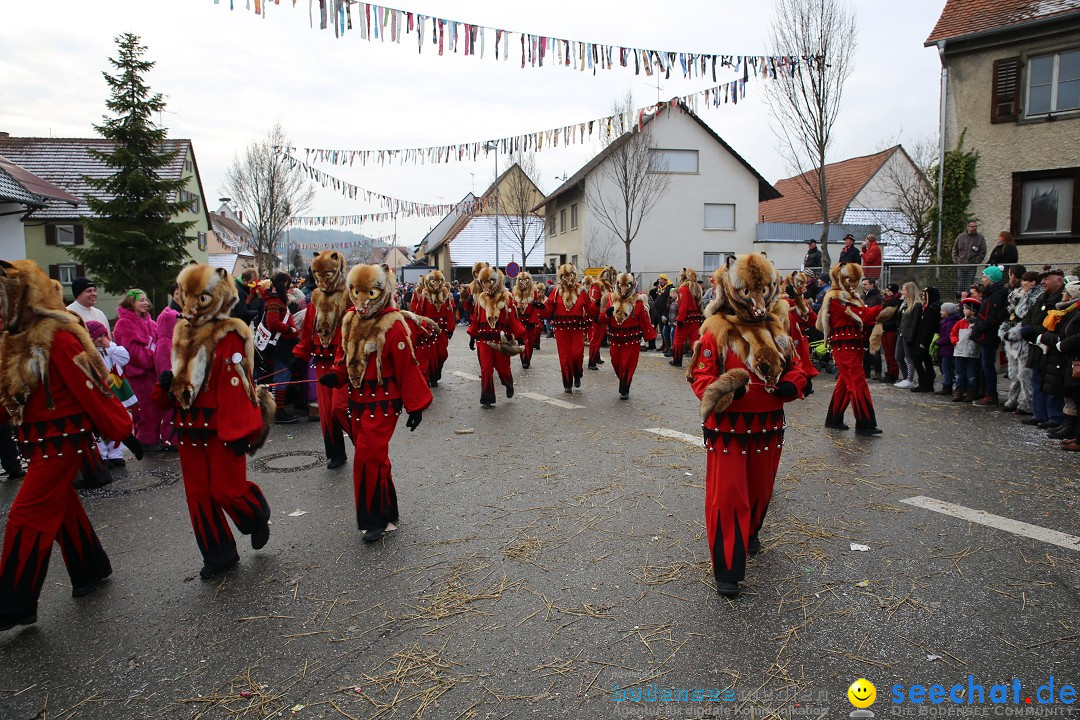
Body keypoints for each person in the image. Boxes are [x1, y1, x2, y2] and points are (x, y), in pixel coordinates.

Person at [0, 260, 140, 631]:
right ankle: (89, 568)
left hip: (61, 442)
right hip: (37, 441)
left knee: (26, 516)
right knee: (61, 508)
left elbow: (93, 387)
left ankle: (13, 603)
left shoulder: (59, 336)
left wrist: (122, 429)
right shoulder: (16, 339)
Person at [688, 254, 807, 597]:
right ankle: (727, 568)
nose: (755, 300)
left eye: (761, 291)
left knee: (760, 490)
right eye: (748, 291)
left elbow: (795, 367)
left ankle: (751, 532)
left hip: (769, 427)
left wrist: (792, 385)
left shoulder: (776, 329)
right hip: (728, 429)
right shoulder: (717, 331)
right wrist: (726, 394)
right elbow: (701, 376)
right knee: (728, 497)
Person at [162, 264, 274, 579]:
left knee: (226, 488)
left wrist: (240, 430)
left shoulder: (230, 332)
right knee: (199, 495)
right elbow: (183, 379)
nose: (191, 306)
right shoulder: (181, 330)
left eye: (201, 298)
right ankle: (218, 554)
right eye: (188, 297)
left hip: (221, 427)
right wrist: (167, 388)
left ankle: (255, 516)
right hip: (188, 425)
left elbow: (235, 382)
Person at [319, 264, 432, 543]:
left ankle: (374, 520)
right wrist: (336, 375)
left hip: (384, 405)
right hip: (357, 403)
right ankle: (387, 509)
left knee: (367, 456)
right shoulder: (349, 321)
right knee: (375, 458)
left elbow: (407, 367)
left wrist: (415, 405)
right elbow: (346, 358)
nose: (362, 301)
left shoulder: (392, 325)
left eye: (369, 293)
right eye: (357, 293)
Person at [292, 251, 352, 469]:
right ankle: (336, 452)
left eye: (326, 276)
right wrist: (298, 356)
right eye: (318, 277)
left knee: (339, 407)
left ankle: (362, 442)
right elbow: (308, 331)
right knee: (326, 411)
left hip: (342, 362)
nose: (322, 282)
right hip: (321, 361)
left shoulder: (348, 297)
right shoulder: (315, 299)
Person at [818, 263, 892, 435]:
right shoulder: (835, 297)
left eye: (855, 280)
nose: (854, 284)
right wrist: (880, 309)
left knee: (845, 383)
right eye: (850, 280)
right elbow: (859, 316)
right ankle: (865, 422)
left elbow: (863, 319)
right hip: (844, 345)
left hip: (855, 344)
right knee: (857, 381)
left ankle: (834, 419)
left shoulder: (852, 297)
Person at [467, 266, 526, 407]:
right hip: (483, 339)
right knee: (486, 369)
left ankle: (508, 382)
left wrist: (520, 336)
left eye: (489, 282)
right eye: (484, 283)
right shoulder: (481, 299)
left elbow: (513, 319)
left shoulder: (506, 299)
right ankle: (487, 397)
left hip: (501, 340)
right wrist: (472, 335)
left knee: (503, 368)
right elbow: (476, 319)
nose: (486, 286)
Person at [113, 289, 162, 447]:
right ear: (131, 302)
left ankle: (151, 437)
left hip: (152, 373)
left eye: (146, 299)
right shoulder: (124, 323)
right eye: (141, 300)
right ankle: (146, 440)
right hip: (138, 375)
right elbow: (131, 351)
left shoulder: (150, 322)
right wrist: (153, 358)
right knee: (144, 409)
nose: (145, 302)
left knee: (153, 407)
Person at [540, 264, 597, 394]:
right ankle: (567, 383)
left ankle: (577, 374)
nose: (568, 279)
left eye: (571, 275)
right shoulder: (556, 291)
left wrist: (598, 305)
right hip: (561, 329)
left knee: (577, 353)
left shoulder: (581, 290)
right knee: (565, 356)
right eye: (565, 276)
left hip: (577, 328)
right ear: (561, 277)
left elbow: (590, 308)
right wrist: (542, 308)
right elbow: (549, 308)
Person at [598, 273, 656, 399]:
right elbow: (602, 319)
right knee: (615, 362)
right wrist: (607, 314)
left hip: (631, 339)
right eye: (621, 285)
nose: (624, 289)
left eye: (627, 285)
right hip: (615, 338)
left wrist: (650, 336)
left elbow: (644, 320)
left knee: (628, 363)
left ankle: (625, 388)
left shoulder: (637, 302)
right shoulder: (612, 300)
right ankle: (623, 381)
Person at [88, 320, 136, 467]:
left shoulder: (111, 348)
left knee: (117, 421)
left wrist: (109, 347)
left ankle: (116, 454)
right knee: (101, 424)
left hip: (116, 388)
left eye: (104, 335)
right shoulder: (89, 354)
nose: (102, 338)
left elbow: (125, 358)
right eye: (98, 336)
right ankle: (102, 456)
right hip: (101, 391)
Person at [1003, 271, 1043, 415]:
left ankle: (1026, 403)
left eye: (1026, 281)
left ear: (1033, 282)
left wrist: (1017, 332)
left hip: (1024, 340)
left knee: (1024, 374)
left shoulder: (1037, 297)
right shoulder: (1019, 295)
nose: (1022, 283)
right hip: (1012, 339)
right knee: (1013, 373)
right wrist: (1005, 330)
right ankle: (1012, 400)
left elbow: (1028, 318)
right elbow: (1011, 315)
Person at [264, 272, 300, 424]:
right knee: (282, 378)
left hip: (284, 343)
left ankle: (278, 409)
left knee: (282, 377)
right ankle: (278, 411)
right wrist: (289, 329)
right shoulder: (274, 302)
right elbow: (273, 324)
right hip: (281, 345)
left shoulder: (277, 300)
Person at [971, 266, 1008, 406]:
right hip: (985, 333)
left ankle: (991, 394)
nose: (983, 279)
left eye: (985, 277)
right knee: (985, 365)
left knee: (988, 365)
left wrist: (979, 327)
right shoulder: (991, 294)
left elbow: (993, 317)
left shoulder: (996, 295)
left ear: (992, 279)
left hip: (989, 335)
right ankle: (986, 392)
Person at [154, 283, 182, 450]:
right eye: (178, 293)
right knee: (170, 406)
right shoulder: (166, 341)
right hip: (171, 375)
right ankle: (169, 439)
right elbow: (164, 363)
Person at [670, 268, 704, 367]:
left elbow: (683, 306)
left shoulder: (684, 288)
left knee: (678, 339)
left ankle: (677, 360)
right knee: (694, 339)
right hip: (696, 317)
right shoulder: (697, 287)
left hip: (685, 318)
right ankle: (697, 360)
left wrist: (680, 319)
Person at [951, 299, 982, 402]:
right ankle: (959, 390)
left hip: (972, 352)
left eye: (966, 309)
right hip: (960, 351)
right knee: (959, 374)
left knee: (971, 374)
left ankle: (971, 391)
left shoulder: (977, 323)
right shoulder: (960, 322)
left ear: (973, 311)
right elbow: (953, 333)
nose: (963, 310)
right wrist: (955, 342)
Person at [911, 287, 941, 393]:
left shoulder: (933, 308)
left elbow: (929, 327)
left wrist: (923, 342)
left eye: (925, 295)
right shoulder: (928, 307)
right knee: (926, 361)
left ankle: (925, 382)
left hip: (927, 339)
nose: (923, 297)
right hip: (923, 337)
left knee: (918, 359)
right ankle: (926, 382)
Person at [894, 282, 922, 389]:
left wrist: (911, 336)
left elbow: (915, 322)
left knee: (909, 357)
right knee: (898, 356)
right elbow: (899, 320)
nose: (902, 292)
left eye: (904, 290)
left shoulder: (916, 305)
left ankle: (910, 379)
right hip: (901, 332)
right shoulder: (904, 305)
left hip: (908, 334)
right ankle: (906, 377)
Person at [952, 221, 986, 291]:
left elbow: (982, 251)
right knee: (960, 284)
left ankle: (969, 299)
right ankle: (960, 299)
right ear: (968, 227)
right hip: (961, 265)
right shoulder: (961, 237)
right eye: (973, 227)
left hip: (972, 266)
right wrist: (956, 260)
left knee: (969, 285)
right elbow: (955, 249)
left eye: (976, 226)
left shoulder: (980, 238)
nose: (975, 228)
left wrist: (976, 262)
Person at [936, 303, 961, 397]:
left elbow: (948, 337)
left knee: (946, 368)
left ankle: (947, 385)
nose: (941, 312)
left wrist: (938, 342)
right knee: (945, 367)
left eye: (943, 310)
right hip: (946, 348)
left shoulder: (950, 323)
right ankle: (948, 384)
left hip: (948, 348)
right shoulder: (946, 321)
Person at [879, 283, 902, 383]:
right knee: (887, 353)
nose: (887, 293)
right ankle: (889, 371)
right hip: (885, 329)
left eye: (889, 291)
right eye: (887, 291)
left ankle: (893, 373)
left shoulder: (896, 303)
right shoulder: (885, 301)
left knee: (891, 352)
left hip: (891, 329)